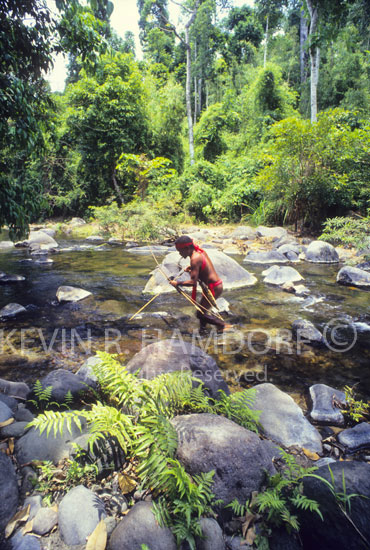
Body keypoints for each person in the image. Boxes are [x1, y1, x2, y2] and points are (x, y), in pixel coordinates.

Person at [170, 235, 226, 332]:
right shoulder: (199, 253)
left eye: (180, 251)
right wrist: (192, 268)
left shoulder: (195, 259)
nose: (179, 254)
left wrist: (177, 283)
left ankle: (222, 325)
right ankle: (202, 330)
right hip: (214, 286)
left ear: (187, 248)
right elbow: (204, 267)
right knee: (202, 310)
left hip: (213, 288)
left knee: (200, 314)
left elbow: (192, 282)